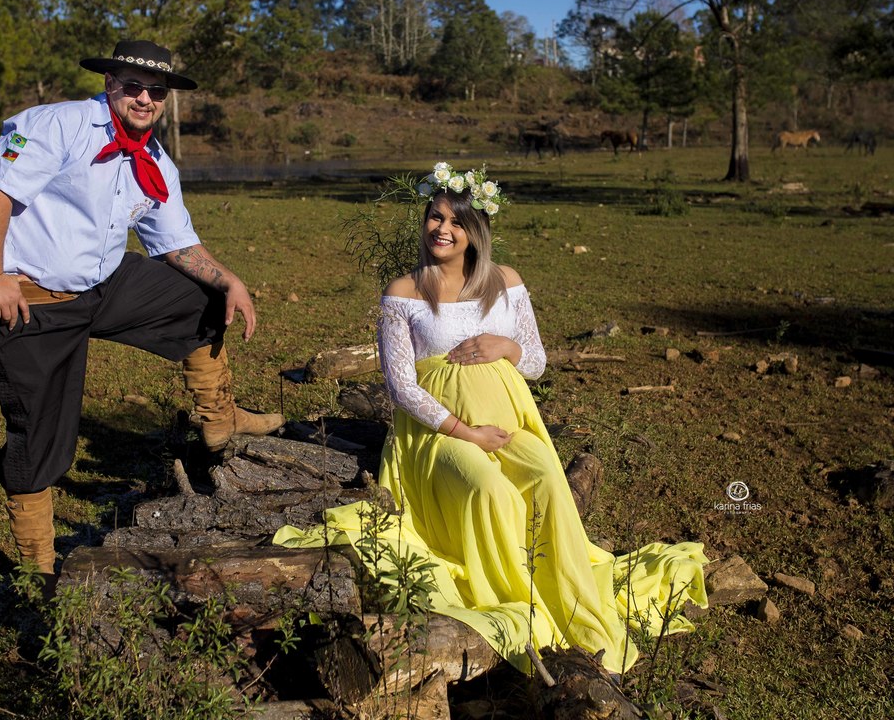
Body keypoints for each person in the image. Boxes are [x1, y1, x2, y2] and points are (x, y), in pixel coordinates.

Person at [276, 163, 707, 674]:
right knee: (488, 490)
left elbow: (538, 361)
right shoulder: (405, 291)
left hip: (509, 424)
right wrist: (466, 432)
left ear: (475, 231)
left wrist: (506, 346)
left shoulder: (507, 283)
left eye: (454, 222)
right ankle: (514, 599)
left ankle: (562, 595)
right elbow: (400, 387)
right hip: (439, 433)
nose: (441, 229)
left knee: (548, 479)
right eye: (434, 218)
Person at [0, 39, 283, 585]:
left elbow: (174, 243)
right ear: (110, 82)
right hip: (35, 299)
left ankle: (219, 424)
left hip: (103, 284)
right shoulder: (56, 125)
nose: (144, 98)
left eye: (156, 91)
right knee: (39, 436)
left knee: (201, 296)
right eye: (132, 85)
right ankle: (37, 563)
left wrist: (229, 279)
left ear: (165, 99)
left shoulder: (155, 159)